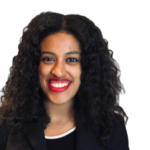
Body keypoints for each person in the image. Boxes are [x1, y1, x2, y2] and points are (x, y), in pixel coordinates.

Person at [0, 10, 130, 150]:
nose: (58, 71)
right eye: (48, 59)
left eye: (71, 60)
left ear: (87, 67)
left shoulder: (111, 129)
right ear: (33, 65)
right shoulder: (5, 127)